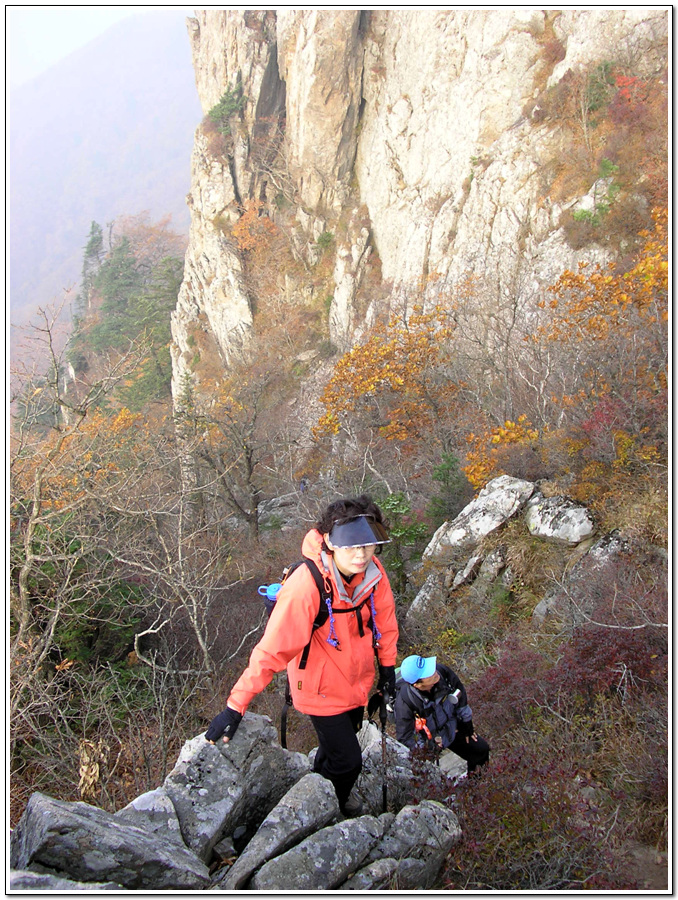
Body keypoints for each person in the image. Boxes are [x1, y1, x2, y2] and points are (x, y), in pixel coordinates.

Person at [205, 495, 399, 817]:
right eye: (350, 545)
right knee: (348, 761)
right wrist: (234, 706)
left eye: (367, 544)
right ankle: (325, 811)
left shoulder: (373, 574)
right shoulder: (307, 585)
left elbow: (386, 624)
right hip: (318, 686)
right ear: (330, 543)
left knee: (336, 748)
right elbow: (272, 650)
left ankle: (318, 783)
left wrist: (388, 671)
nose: (361, 553)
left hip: (354, 683)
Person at [394, 655, 490, 776]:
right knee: (428, 778)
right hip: (427, 741)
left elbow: (459, 694)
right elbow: (406, 737)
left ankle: (475, 787)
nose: (434, 673)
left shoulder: (442, 673)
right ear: (417, 685)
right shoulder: (405, 703)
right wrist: (427, 750)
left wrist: (467, 724)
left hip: (450, 726)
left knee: (480, 750)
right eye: (429, 674)